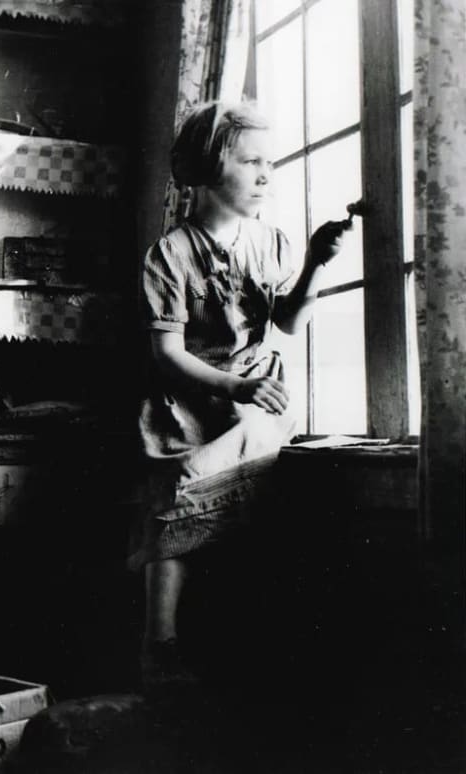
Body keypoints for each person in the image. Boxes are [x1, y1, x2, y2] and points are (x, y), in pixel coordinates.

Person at [129, 100, 350, 689]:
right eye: (250, 162)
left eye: (269, 164)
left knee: (255, 522)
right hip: (191, 401)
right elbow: (167, 355)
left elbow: (287, 323)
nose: (264, 176)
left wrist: (313, 265)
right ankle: (161, 646)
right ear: (203, 167)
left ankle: (240, 646)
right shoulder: (169, 255)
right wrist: (236, 385)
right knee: (177, 508)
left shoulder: (271, 242)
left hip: (256, 403)